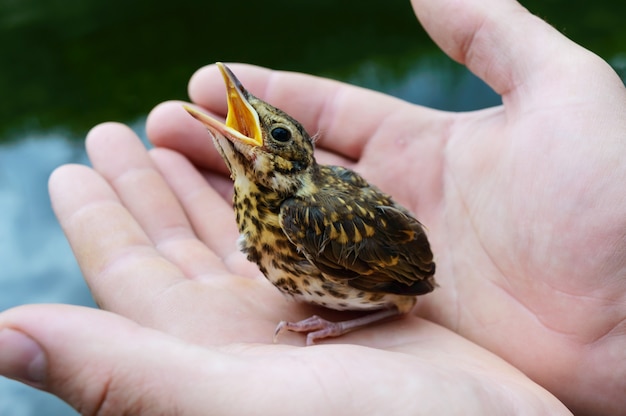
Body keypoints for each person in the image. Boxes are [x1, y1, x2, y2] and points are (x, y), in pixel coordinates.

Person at [1, 0, 624, 413]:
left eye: (275, 137)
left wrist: (341, 323)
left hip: (396, 277)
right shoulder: (260, 210)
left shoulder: (303, 218)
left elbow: (408, 292)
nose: (249, 127)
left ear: (293, 160)